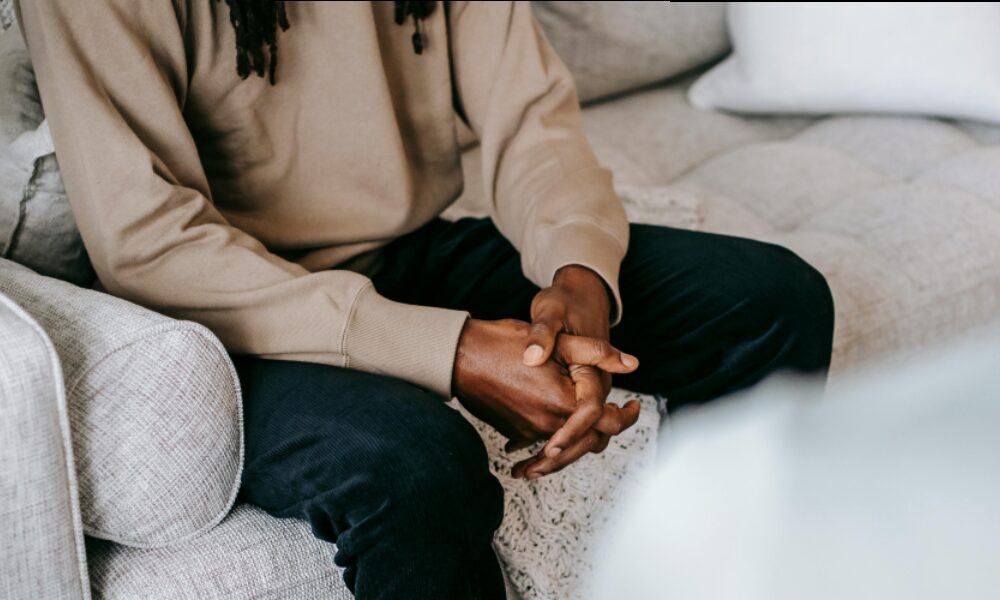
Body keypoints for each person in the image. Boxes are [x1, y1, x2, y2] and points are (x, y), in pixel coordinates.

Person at [16, 1, 835, 598]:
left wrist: (579, 280)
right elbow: (149, 242)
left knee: (773, 301)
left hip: (403, 250)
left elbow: (531, 119)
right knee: (415, 469)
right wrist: (452, 349)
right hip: (227, 308)